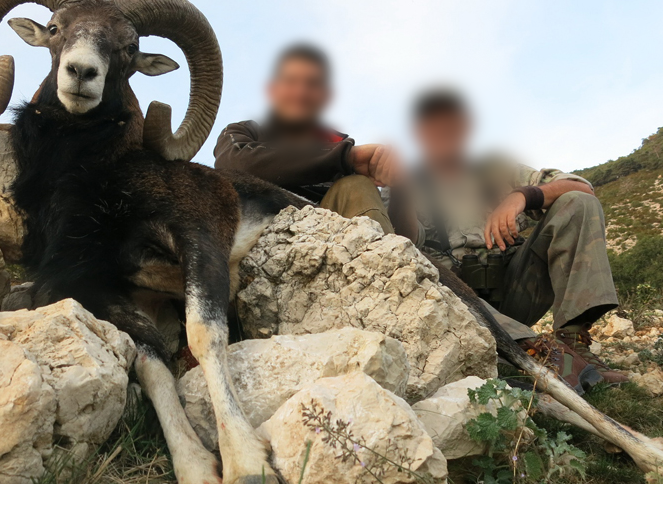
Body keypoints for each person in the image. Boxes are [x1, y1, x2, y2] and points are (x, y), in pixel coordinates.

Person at [392, 88, 628, 392]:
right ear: (419, 135)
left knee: (578, 205)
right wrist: (398, 189)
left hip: (517, 287)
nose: (444, 137)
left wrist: (522, 196)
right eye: (434, 130)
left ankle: (573, 342)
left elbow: (581, 189)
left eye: (451, 128)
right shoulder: (408, 183)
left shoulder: (496, 169)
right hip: (458, 304)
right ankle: (539, 356)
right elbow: (402, 242)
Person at [213, 43, 398, 235]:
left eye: (312, 84)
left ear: (326, 96)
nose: (300, 93)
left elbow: (402, 237)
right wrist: (347, 157)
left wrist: (399, 183)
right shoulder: (244, 132)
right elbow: (235, 164)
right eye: (290, 82)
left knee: (357, 187)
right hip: (265, 236)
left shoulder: (341, 149)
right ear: (273, 90)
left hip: (336, 241)